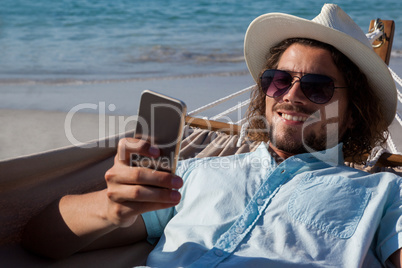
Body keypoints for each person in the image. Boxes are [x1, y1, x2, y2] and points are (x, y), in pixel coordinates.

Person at [22, 4, 401, 267]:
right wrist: (112, 207)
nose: (290, 95)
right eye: (279, 80)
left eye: (316, 88)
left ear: (353, 116)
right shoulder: (191, 175)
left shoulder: (384, 194)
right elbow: (39, 241)